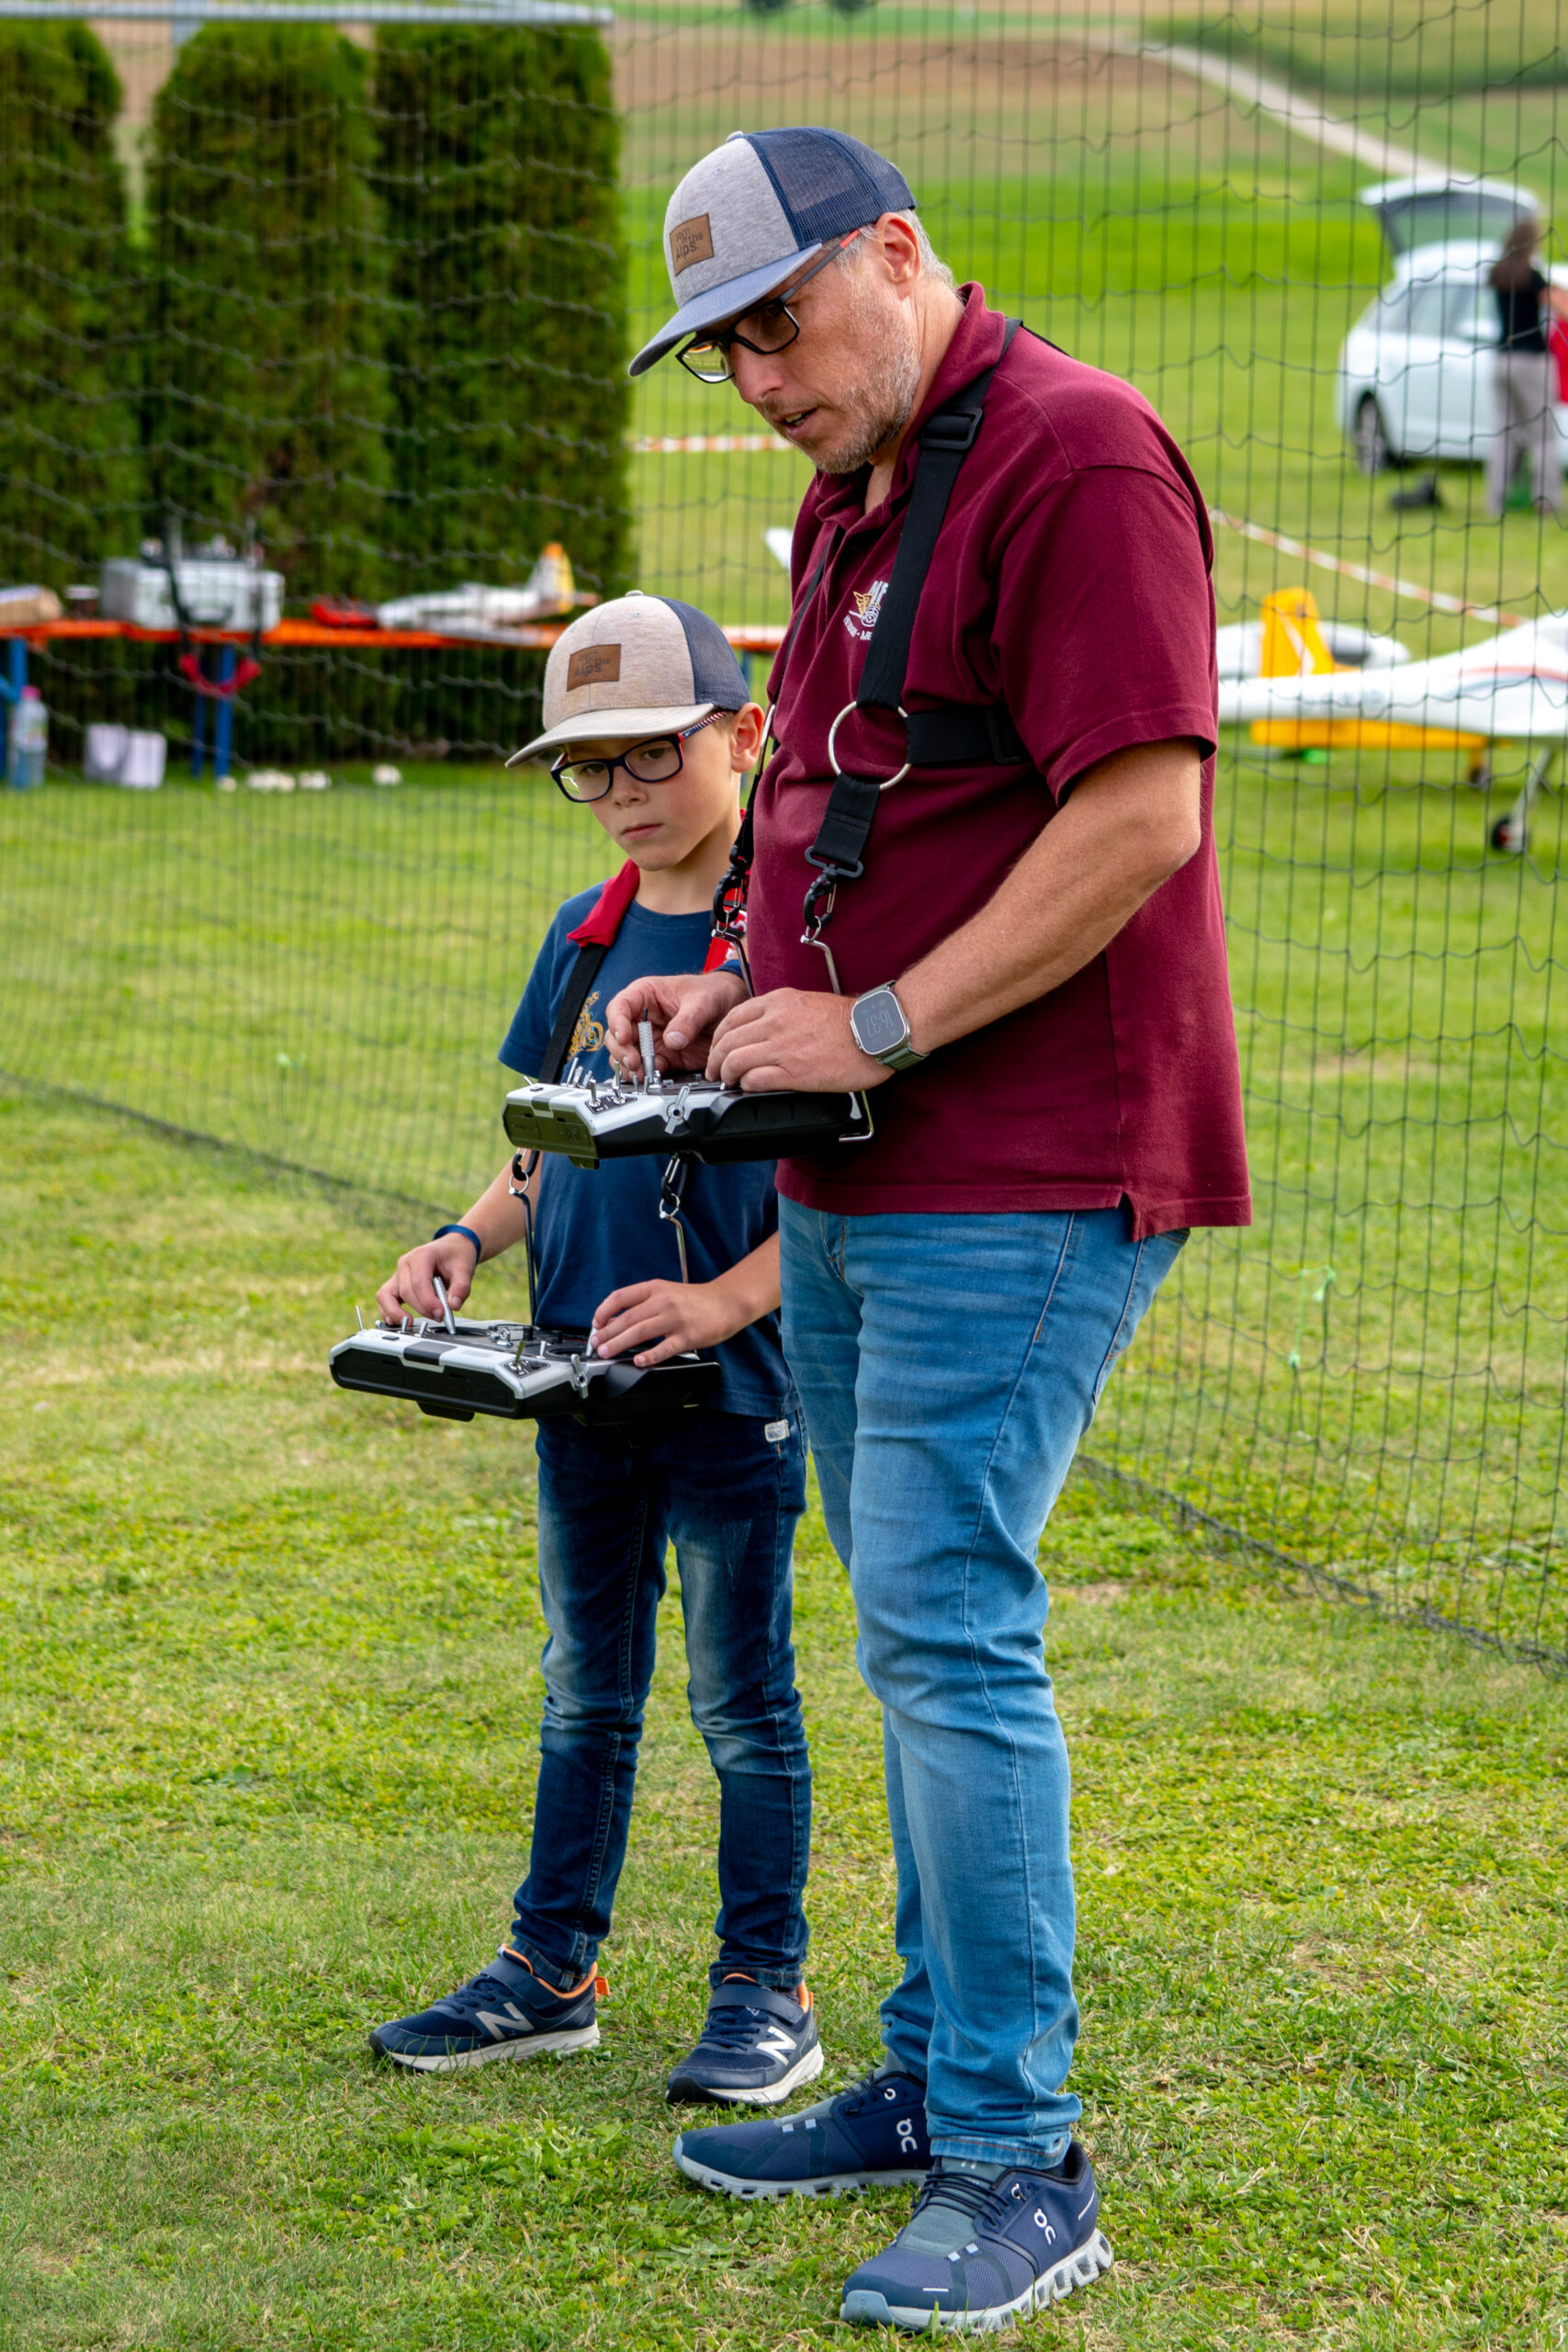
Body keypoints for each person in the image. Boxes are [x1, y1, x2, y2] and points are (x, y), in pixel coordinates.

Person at [605, 129, 1250, 2330]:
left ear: (893, 253)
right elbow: (837, 792)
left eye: (776, 323)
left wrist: (870, 1016)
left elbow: (1138, 813)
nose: (756, 380)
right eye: (719, 351)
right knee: (907, 1628)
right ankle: (926, 2072)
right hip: (855, 1161)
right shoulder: (858, 488)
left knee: (947, 1630)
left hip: (1026, 1159)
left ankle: (1015, 2156)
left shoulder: (1076, 454)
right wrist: (734, 984)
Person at [368, 593, 822, 2109]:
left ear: (742, 736)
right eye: (586, 765)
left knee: (741, 1704)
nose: (621, 792)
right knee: (584, 1691)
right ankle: (548, 1969)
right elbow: (544, 1147)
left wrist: (718, 1303)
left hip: (733, 1393)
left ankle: (765, 1991)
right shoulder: (583, 934)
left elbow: (852, 1191)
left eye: (649, 754)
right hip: (575, 1384)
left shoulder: (795, 943)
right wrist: (463, 1238)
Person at [1486, 212, 1568, 518]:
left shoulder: (1497, 274)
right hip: (1531, 361)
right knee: (1543, 436)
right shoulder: (1532, 277)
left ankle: (1495, 502)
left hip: (1501, 360)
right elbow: (1562, 308)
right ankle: (1547, 502)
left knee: (1504, 434)